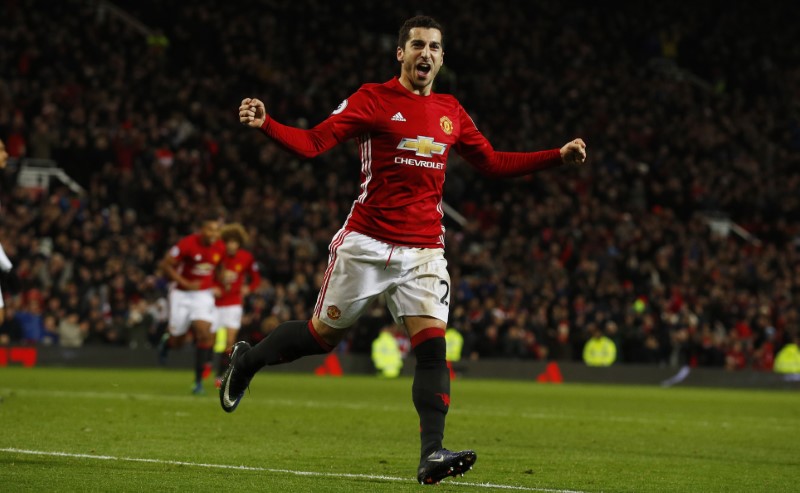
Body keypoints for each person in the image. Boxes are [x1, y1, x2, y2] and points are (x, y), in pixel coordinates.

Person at [221, 15, 587, 485]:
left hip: (424, 251)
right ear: (401, 53)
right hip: (367, 243)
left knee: (433, 350)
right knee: (320, 337)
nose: (426, 54)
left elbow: (493, 162)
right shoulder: (373, 99)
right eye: (417, 45)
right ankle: (247, 360)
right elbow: (314, 143)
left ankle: (432, 454)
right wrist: (268, 123)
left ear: (442, 57)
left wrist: (555, 156)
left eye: (434, 47)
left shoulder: (451, 111)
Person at [158, 215, 225, 395]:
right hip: (181, 294)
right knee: (178, 340)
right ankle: (168, 342)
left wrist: (219, 283)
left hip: (203, 295)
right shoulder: (187, 244)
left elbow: (218, 267)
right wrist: (185, 283)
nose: (214, 233)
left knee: (204, 333)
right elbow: (166, 265)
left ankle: (198, 382)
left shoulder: (219, 246)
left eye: (217, 230)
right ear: (201, 230)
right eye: (211, 229)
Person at [212, 223, 261, 383]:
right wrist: (213, 287)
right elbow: (209, 274)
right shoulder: (217, 256)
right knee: (215, 341)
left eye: (235, 242)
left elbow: (256, 278)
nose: (231, 245)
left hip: (234, 303)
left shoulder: (246, 257)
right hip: (216, 304)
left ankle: (222, 375)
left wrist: (249, 288)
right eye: (228, 241)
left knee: (229, 340)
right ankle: (209, 364)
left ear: (239, 243)